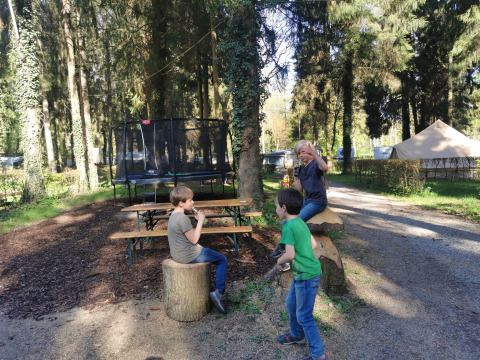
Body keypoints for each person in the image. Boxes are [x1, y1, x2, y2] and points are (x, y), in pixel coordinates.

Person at [275, 188, 328, 360]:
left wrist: (279, 261)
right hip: (302, 274)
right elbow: (313, 244)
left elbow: (289, 255)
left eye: (276, 206)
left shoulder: (289, 227)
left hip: (307, 276)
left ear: (284, 207)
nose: (275, 210)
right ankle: (297, 335)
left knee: (304, 316)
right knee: (291, 305)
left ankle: (319, 354)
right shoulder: (300, 222)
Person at [167, 186, 228, 315]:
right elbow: (194, 240)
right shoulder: (183, 219)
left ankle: (214, 289)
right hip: (189, 255)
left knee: (207, 251)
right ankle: (220, 292)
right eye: (190, 200)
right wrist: (200, 221)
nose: (193, 202)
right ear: (181, 203)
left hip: (177, 254)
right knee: (222, 259)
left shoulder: (173, 215)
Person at [271, 140, 328, 257]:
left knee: (293, 220)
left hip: (318, 201)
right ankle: (283, 246)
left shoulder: (316, 164)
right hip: (307, 200)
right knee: (285, 219)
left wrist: (313, 153)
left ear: (310, 152)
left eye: (303, 152)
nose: (301, 155)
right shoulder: (301, 168)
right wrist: (296, 178)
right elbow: (298, 191)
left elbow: (325, 167)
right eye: (298, 153)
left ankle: (285, 248)